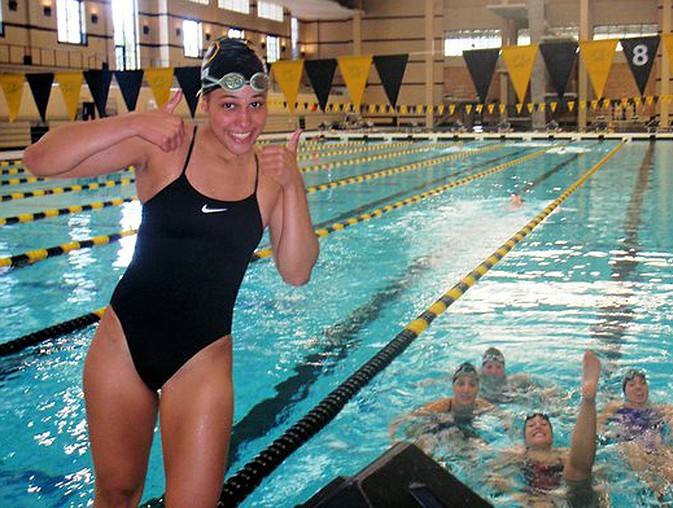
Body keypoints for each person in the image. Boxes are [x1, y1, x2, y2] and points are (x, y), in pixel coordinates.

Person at [22, 37, 320, 506]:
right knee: (117, 494)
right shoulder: (166, 145)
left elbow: (297, 271)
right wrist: (136, 122)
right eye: (228, 105)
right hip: (124, 345)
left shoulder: (271, 174)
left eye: (255, 104)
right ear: (204, 102)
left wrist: (294, 183)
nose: (244, 121)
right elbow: (39, 160)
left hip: (202, 360)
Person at [489, 351, 602, 507]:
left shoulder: (563, 454)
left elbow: (595, 471)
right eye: (531, 425)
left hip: (569, 494)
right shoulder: (516, 454)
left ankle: (588, 399)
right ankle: (588, 400)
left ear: (552, 436)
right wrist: (521, 497)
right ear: (524, 437)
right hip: (536, 501)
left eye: (544, 424)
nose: (538, 426)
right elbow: (494, 476)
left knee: (578, 472)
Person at [598, 369, 673, 505]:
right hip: (632, 450)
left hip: (658, 450)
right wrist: (609, 432)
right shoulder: (615, 407)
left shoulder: (664, 409)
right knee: (632, 448)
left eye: (642, 383)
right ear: (624, 391)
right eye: (632, 385)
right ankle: (658, 497)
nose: (638, 387)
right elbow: (598, 427)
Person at [389, 362, 496, 453]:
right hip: (435, 427)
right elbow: (402, 419)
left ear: (478, 389)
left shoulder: (482, 406)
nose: (466, 390)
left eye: (472, 385)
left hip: (462, 431)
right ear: (453, 387)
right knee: (427, 443)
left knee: (481, 448)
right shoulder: (443, 405)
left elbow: (504, 416)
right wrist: (394, 439)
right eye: (461, 384)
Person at [479, 347, 562, 406]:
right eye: (489, 367)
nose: (494, 371)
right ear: (482, 368)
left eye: (498, 367)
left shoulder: (515, 380)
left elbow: (546, 386)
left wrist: (549, 392)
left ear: (504, 368)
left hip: (512, 401)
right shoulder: (476, 380)